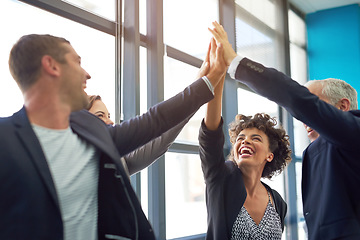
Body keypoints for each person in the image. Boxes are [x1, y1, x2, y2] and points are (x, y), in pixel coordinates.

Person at [0, 34, 226, 240]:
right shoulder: (5, 139)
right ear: (51, 66)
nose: (86, 74)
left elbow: (155, 121)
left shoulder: (92, 132)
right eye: (77, 62)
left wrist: (209, 79)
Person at [209, 21, 360, 240]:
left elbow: (300, 101)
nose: (304, 118)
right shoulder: (312, 152)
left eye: (314, 104)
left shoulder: (354, 130)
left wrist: (235, 63)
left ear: (342, 106)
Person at [198, 69, 291, 239]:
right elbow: (210, 139)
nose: (245, 141)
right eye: (240, 138)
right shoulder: (220, 181)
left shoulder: (277, 202)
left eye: (255, 138)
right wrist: (217, 78)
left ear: (270, 155)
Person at [86, 94, 195, 176]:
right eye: (100, 116)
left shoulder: (119, 160)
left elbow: (162, 139)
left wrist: (196, 98)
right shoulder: (80, 165)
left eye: (108, 115)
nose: (110, 121)